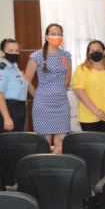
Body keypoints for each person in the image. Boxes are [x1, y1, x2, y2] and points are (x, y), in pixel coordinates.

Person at [25, 23, 71, 154]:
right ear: (46, 36)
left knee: (61, 141)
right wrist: (38, 96)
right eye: (53, 34)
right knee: (45, 140)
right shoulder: (36, 56)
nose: (57, 36)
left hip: (61, 103)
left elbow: (67, 81)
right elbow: (27, 81)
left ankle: (57, 170)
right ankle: (45, 171)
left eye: (59, 34)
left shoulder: (66, 56)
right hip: (42, 104)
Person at [72, 40, 105, 134]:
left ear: (104, 52)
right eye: (92, 51)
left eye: (98, 50)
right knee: (92, 147)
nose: (95, 52)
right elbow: (79, 92)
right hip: (89, 117)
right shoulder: (82, 69)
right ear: (88, 54)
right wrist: (96, 111)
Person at [0, 39, 28, 134]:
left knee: (17, 144)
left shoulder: (15, 68)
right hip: (9, 109)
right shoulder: (1, 69)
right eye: (11, 50)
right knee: (10, 145)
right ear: (2, 52)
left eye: (17, 50)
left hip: (20, 109)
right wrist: (7, 118)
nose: (15, 53)